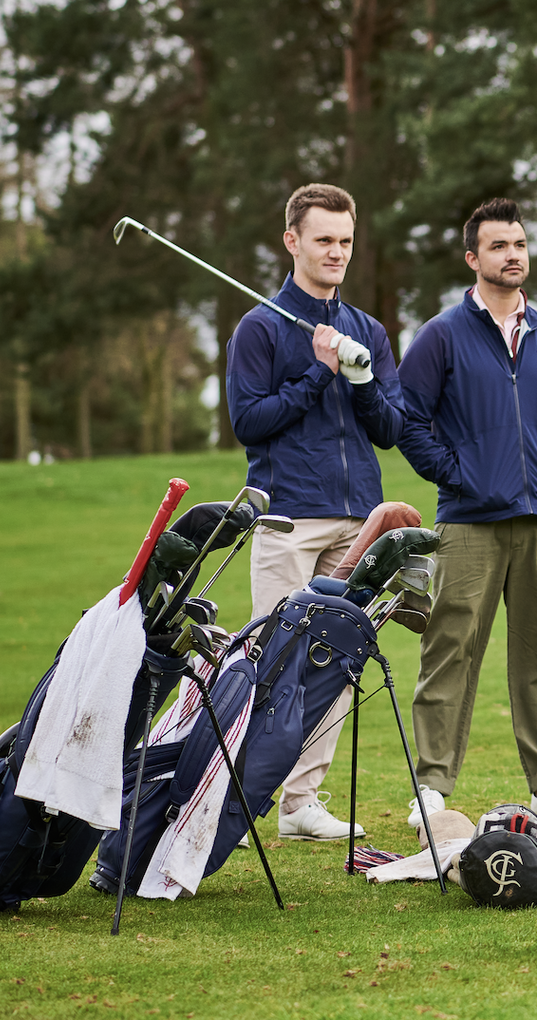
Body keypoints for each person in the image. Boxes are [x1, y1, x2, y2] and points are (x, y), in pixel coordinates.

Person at [396, 197, 537, 826]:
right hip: (468, 524)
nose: (512, 255)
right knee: (450, 650)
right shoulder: (441, 335)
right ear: (473, 258)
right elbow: (409, 421)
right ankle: (431, 787)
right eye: (498, 246)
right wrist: (459, 475)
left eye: (518, 244)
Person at [225, 182, 404, 842]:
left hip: (355, 519)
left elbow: (388, 428)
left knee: (336, 660)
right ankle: (235, 800)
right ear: (292, 240)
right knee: (270, 659)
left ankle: (300, 802)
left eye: (346, 240)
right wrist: (319, 374)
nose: (336, 251)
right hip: (288, 517)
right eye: (324, 239)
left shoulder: (370, 331)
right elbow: (250, 421)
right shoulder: (261, 327)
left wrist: (359, 380)